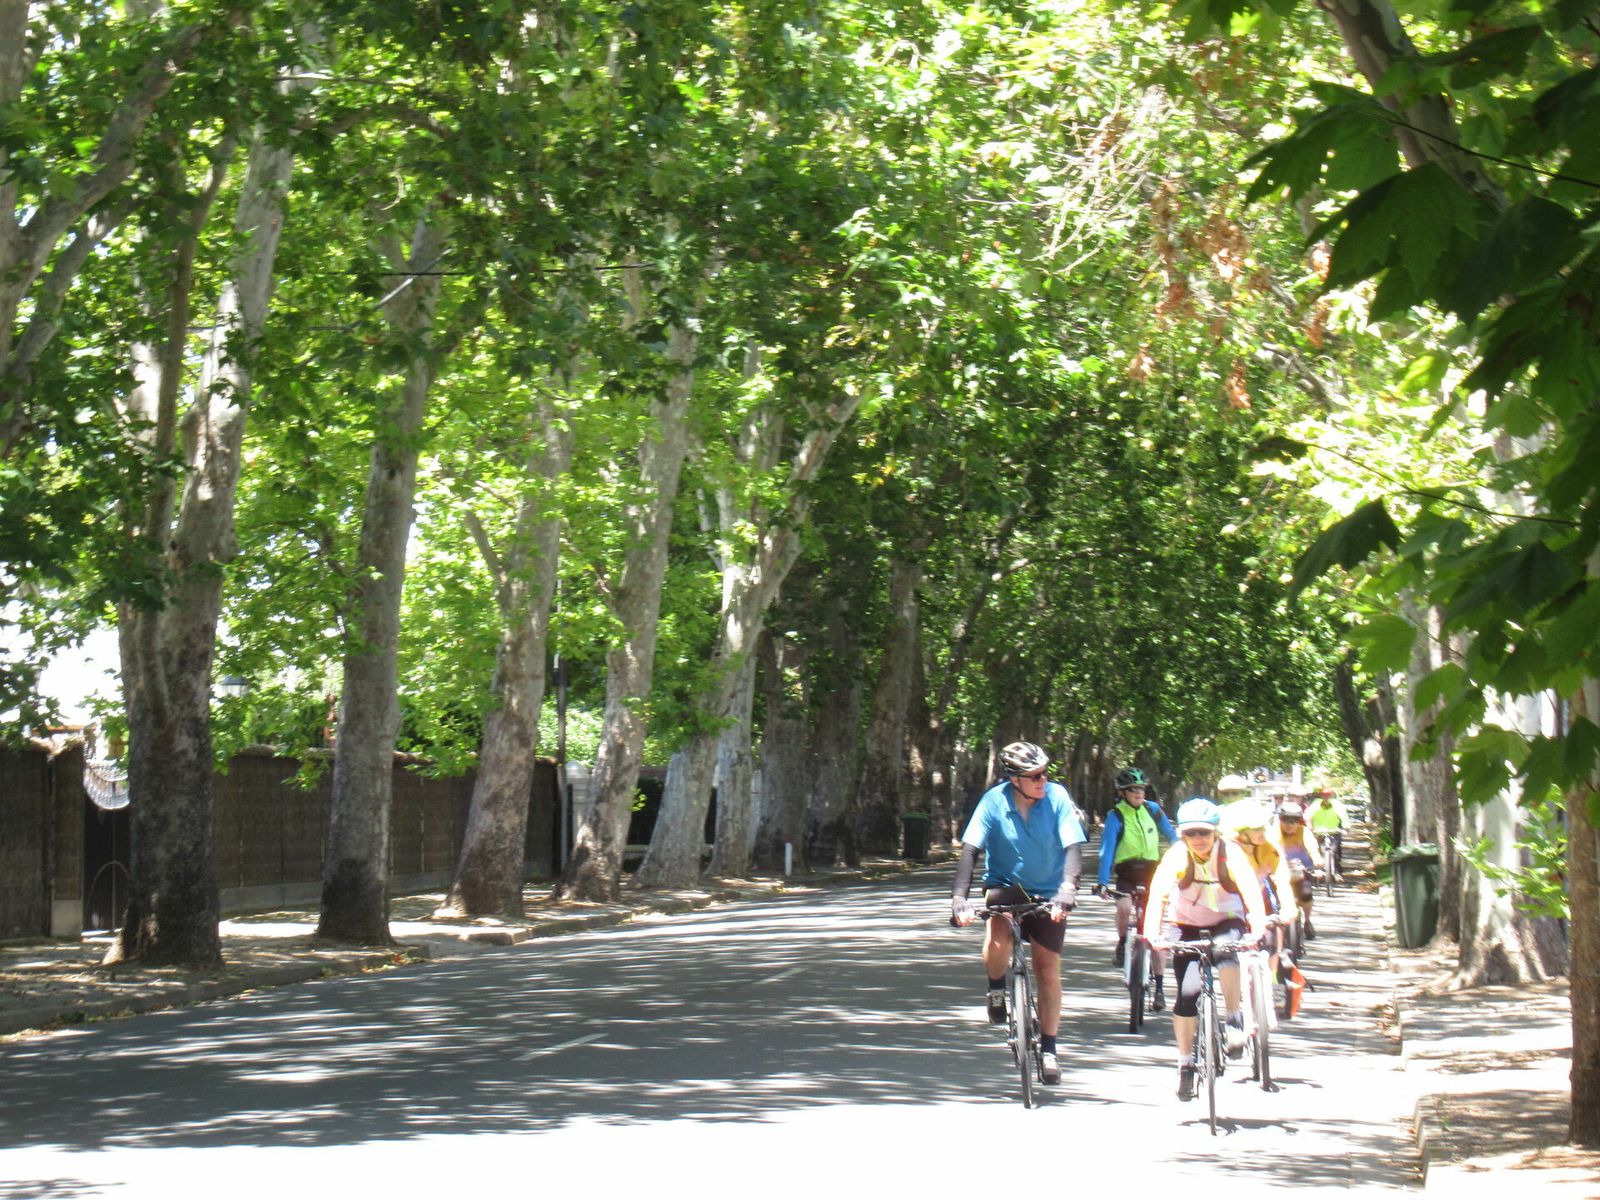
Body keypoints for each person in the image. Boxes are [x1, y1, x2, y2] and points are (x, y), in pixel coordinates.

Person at [951, 740, 1087, 1086]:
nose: (1043, 780)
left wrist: (1068, 890)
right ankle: (996, 986)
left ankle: (1050, 1048)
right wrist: (959, 899)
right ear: (1015, 780)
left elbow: (1073, 847)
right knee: (998, 939)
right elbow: (970, 850)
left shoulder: (1057, 797)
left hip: (1049, 892)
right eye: (1035, 776)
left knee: (1047, 968)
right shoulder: (993, 801)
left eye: (1045, 773)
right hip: (1005, 886)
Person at [1142, 797, 1269, 1102]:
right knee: (1187, 994)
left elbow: (1251, 892)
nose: (1198, 839)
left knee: (1226, 952)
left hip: (1227, 919)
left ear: (1216, 833)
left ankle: (1234, 1019)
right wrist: (1152, 934)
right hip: (1184, 923)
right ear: (1182, 835)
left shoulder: (1231, 854)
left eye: (1204, 833)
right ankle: (1185, 1064)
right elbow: (1158, 894)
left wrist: (1257, 928)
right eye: (1190, 833)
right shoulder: (1177, 856)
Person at [1094, 766, 1175, 1012]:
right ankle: (1122, 942)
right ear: (1122, 793)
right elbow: (1107, 849)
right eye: (1132, 790)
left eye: (1141, 789)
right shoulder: (1116, 816)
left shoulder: (1153, 810)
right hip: (1127, 872)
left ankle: (1159, 987)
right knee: (1124, 906)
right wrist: (1102, 881)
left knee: (1156, 930)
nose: (1138, 793)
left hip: (1152, 872)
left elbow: (1172, 837)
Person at [1219, 797, 1297, 981]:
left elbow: (1282, 878)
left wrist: (1288, 907)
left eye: (1263, 827)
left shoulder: (1268, 846)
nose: (1263, 832)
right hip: (1229, 898)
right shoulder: (1226, 849)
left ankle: (1272, 977)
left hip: (1260, 894)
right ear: (1239, 832)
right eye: (1256, 829)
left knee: (1273, 930)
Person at [1273, 798, 1324, 938]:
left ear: (1299, 821)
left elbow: (1313, 849)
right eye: (1285, 819)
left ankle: (1307, 921)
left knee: (1306, 894)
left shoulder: (1304, 832)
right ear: (1280, 819)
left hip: (1302, 870)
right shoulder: (1274, 832)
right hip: (1279, 872)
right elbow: (1268, 849)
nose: (1289, 824)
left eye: (1294, 820)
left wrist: (1318, 864)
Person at [1309, 791, 1346, 881]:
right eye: (1323, 795)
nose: (1326, 798)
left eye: (1328, 796)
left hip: (1334, 831)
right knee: (1314, 849)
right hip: (1318, 832)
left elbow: (1343, 816)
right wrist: (1309, 825)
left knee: (1335, 851)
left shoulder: (1336, 804)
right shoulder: (1316, 804)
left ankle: (1336, 872)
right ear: (1321, 796)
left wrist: (1346, 825)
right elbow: (1308, 815)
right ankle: (1315, 870)